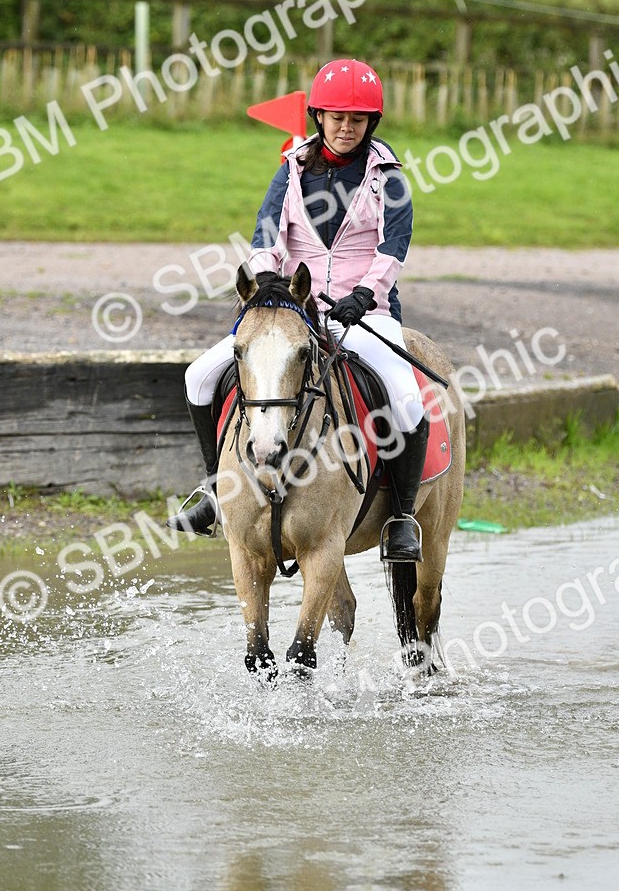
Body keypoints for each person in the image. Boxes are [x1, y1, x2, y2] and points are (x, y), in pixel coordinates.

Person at [167, 58, 428, 562]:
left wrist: (364, 296)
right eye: (336, 118)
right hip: (291, 311)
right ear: (319, 117)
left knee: (406, 397)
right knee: (199, 376)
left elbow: (394, 249)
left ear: (371, 123)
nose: (346, 127)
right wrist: (266, 278)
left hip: (364, 314)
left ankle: (401, 516)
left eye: (356, 120)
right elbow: (266, 235)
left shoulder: (389, 179)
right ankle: (214, 491)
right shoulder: (291, 167)